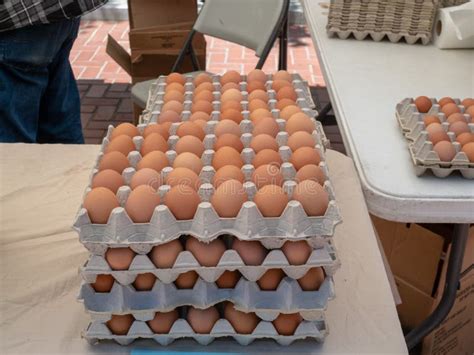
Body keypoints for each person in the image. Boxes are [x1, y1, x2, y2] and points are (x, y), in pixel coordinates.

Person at [0, 0, 108, 143]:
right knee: (58, 122)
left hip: (21, 18)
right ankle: (75, 164)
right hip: (59, 10)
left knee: (12, 143)